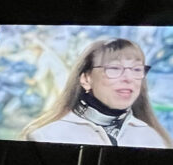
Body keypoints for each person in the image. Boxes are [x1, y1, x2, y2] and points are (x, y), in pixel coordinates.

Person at [21, 38, 172, 148]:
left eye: (136, 69)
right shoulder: (45, 136)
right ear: (86, 79)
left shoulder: (153, 139)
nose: (128, 78)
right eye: (114, 68)